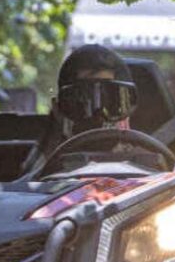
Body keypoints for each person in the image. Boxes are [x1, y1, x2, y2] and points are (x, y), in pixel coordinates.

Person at [20, 45, 139, 175]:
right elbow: (29, 183)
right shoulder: (46, 163)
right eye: (82, 102)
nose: (98, 115)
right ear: (58, 110)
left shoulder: (147, 163)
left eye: (112, 102)